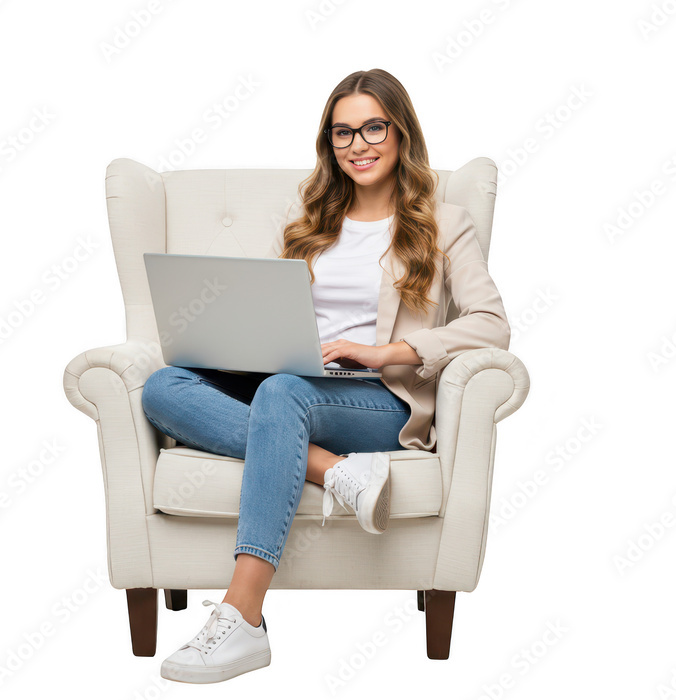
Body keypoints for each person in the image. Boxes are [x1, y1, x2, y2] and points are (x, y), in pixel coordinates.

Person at [139, 68, 511, 684]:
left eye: (372, 127)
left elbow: (491, 326)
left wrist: (389, 351)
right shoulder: (310, 220)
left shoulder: (444, 222)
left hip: (380, 400)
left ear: (400, 134)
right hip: (297, 378)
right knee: (163, 385)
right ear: (329, 144)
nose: (358, 145)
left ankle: (244, 616)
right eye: (343, 133)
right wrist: (248, 343)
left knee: (283, 393)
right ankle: (336, 471)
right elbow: (264, 307)